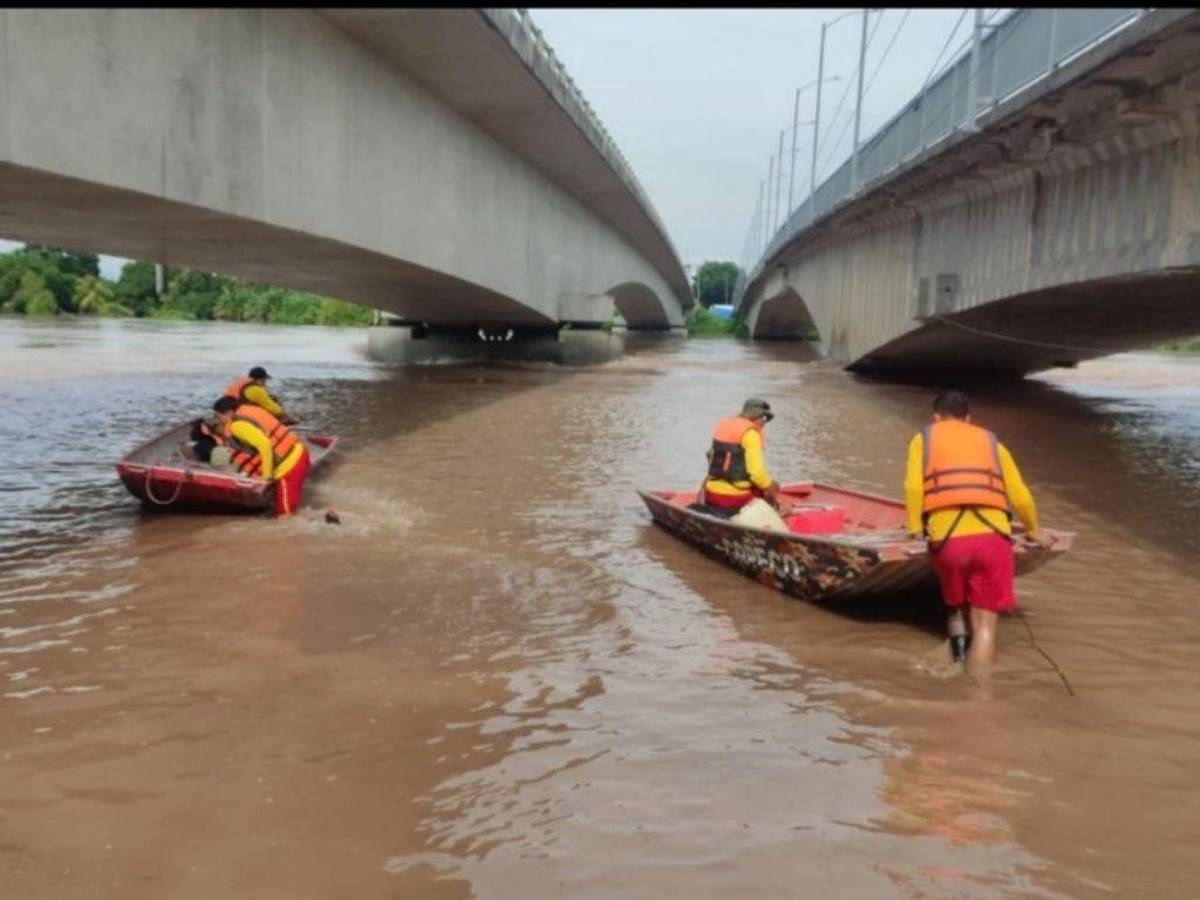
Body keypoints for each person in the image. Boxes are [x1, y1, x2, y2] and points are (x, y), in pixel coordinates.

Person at [904, 391, 1051, 668]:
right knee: (985, 629)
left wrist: (914, 528)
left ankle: (956, 654)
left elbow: (913, 488)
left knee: (955, 606)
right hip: (993, 540)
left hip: (949, 542)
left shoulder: (923, 439)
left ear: (936, 418)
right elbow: (1020, 495)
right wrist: (1032, 529)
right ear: (969, 419)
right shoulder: (993, 443)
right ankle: (980, 695)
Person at [212, 395, 310, 516]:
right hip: (299, 453)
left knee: (285, 516)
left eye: (217, 416)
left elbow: (265, 445)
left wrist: (266, 477)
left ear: (228, 412)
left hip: (288, 467)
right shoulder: (251, 410)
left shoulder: (237, 425)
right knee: (286, 508)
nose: (218, 420)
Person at [702, 398, 783, 515]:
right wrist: (773, 491)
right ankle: (777, 513)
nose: (764, 423)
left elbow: (710, 457)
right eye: (764, 418)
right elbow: (757, 474)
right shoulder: (751, 434)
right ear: (757, 416)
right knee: (772, 486)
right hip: (734, 499)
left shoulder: (723, 426)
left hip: (711, 494)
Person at [224, 366, 300, 425]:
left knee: (270, 399)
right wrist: (284, 414)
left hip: (228, 409)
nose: (266, 382)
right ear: (262, 379)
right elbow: (271, 407)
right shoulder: (255, 389)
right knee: (273, 405)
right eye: (265, 379)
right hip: (239, 413)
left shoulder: (243, 382)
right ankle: (283, 421)